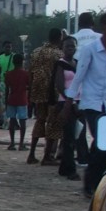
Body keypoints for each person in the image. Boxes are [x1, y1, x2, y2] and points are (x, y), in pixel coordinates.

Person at [65, 12, 106, 197]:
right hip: (91, 103)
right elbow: (79, 76)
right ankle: (92, 182)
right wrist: (69, 100)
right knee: (101, 142)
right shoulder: (90, 49)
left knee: (104, 144)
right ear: (104, 26)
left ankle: (97, 180)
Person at [26, 29, 63, 165]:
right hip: (53, 93)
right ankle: (47, 156)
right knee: (53, 124)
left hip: (38, 92)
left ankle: (31, 154)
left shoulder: (36, 52)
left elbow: (30, 72)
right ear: (59, 38)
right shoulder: (59, 54)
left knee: (40, 121)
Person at [52, 37, 79, 180]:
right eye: (68, 46)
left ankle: (64, 167)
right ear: (62, 48)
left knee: (74, 136)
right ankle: (70, 169)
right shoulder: (60, 64)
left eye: (73, 46)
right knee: (69, 137)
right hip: (66, 102)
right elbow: (60, 85)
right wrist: (71, 101)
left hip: (78, 102)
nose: (70, 48)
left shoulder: (77, 63)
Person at [4, 53, 29, 151]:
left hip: (12, 99)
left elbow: (7, 89)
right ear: (22, 62)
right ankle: (21, 144)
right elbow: (29, 86)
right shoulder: (26, 74)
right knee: (23, 122)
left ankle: (12, 143)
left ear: (13, 62)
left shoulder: (8, 74)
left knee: (12, 121)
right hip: (22, 99)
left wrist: (6, 100)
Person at [0, 40, 14, 128]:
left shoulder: (14, 57)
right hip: (2, 83)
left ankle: (9, 123)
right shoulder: (0, 58)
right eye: (7, 47)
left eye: (10, 47)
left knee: (10, 103)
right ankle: (5, 122)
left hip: (12, 83)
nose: (8, 49)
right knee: (3, 104)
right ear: (4, 47)